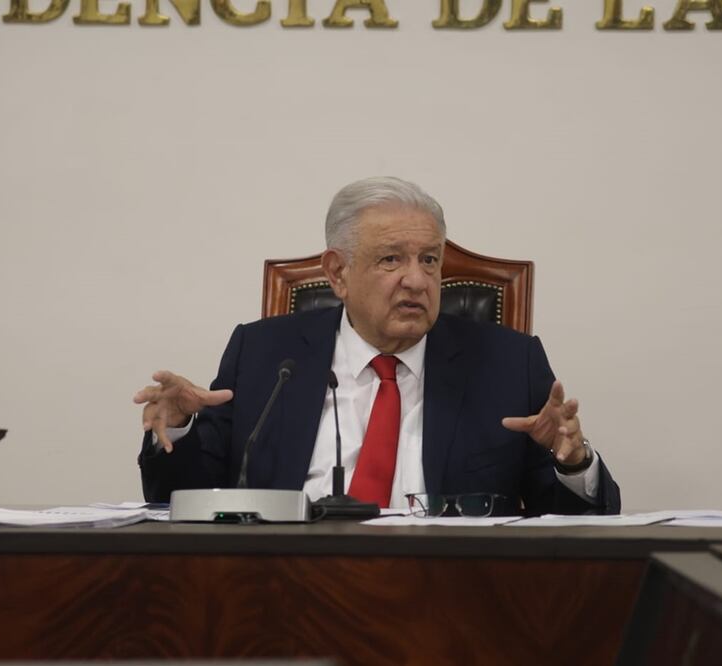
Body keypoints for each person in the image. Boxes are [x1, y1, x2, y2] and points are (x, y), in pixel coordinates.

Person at [134, 177, 620, 515]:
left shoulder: (509, 364)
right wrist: (179, 428)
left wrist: (571, 463)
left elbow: (571, 525)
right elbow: (186, 504)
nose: (417, 280)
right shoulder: (264, 356)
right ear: (337, 273)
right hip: (286, 585)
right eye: (391, 259)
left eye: (429, 260)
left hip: (451, 595)